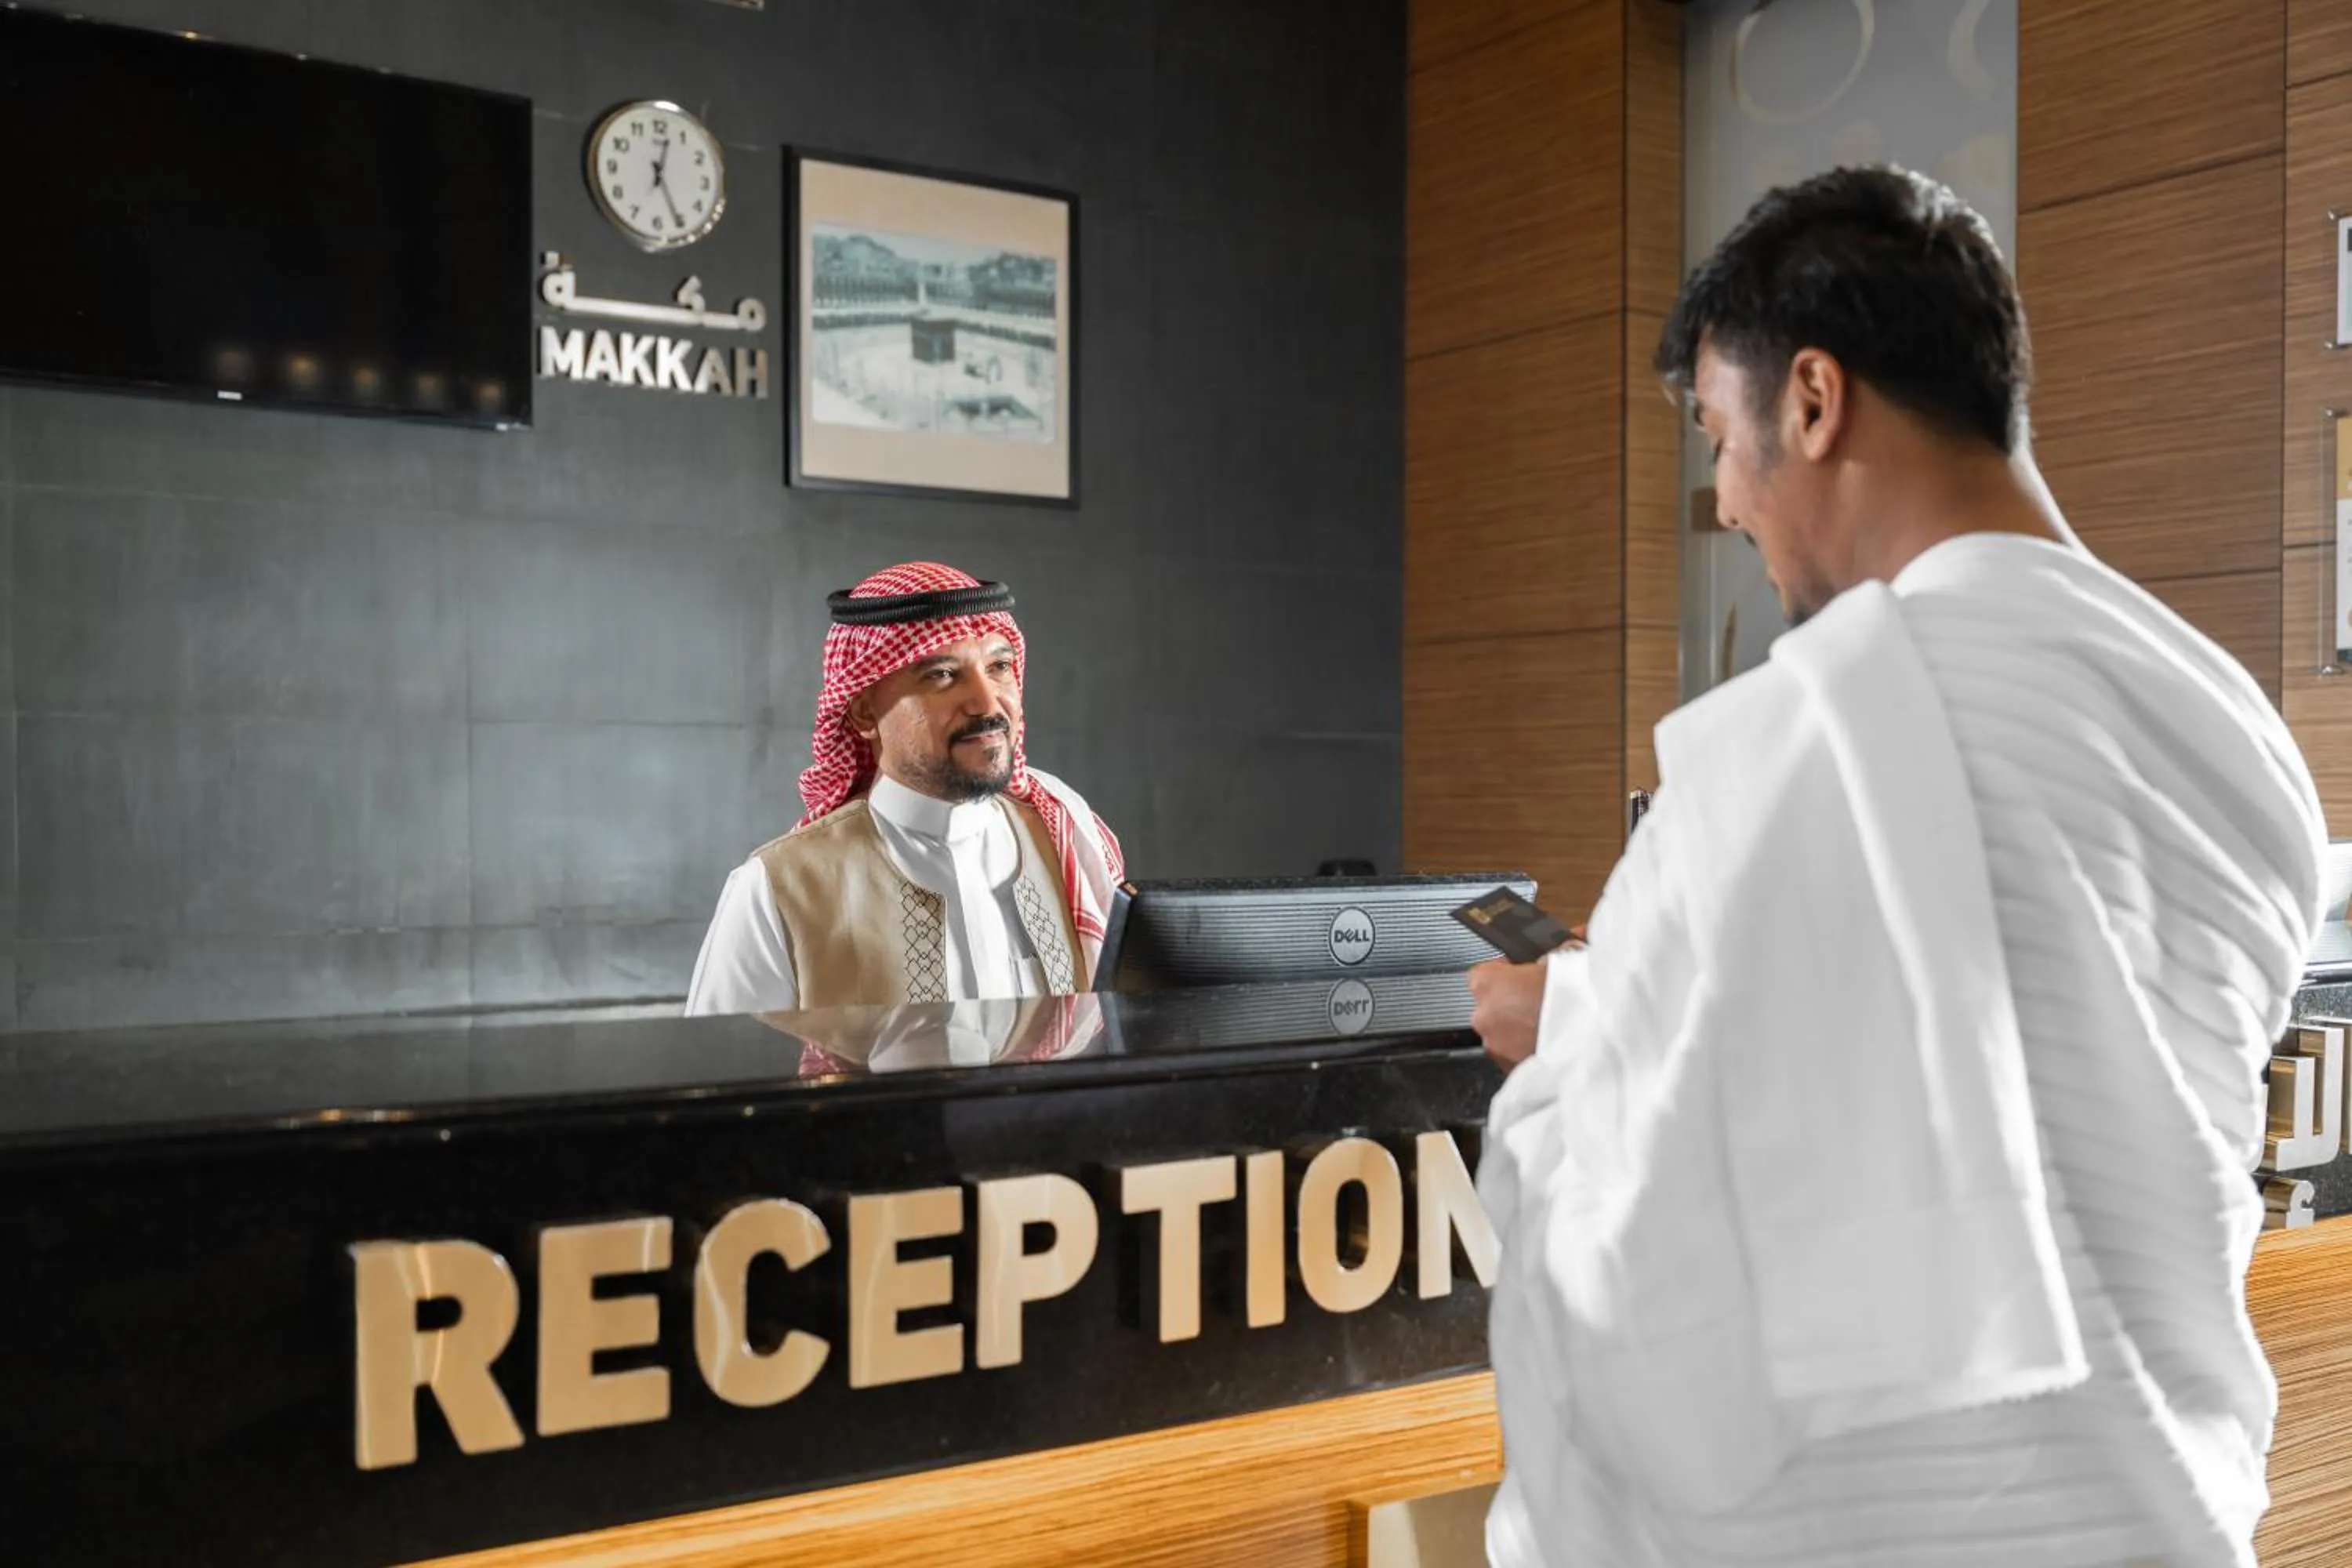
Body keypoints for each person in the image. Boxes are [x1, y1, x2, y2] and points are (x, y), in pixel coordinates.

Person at [1466, 165, 2327, 1568]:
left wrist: (1568, 1033)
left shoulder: (1795, 741)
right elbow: (2063, 1064)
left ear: (1814, 400)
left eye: (1720, 439)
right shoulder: (2231, 723)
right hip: (2173, 1514)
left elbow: (1657, 1286)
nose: (1726, 504)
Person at [685, 561, 1124, 1014]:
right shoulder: (778, 889)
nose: (987, 703)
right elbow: (726, 1055)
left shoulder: (1067, 844)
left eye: (999, 667)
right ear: (863, 713)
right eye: (942, 675)